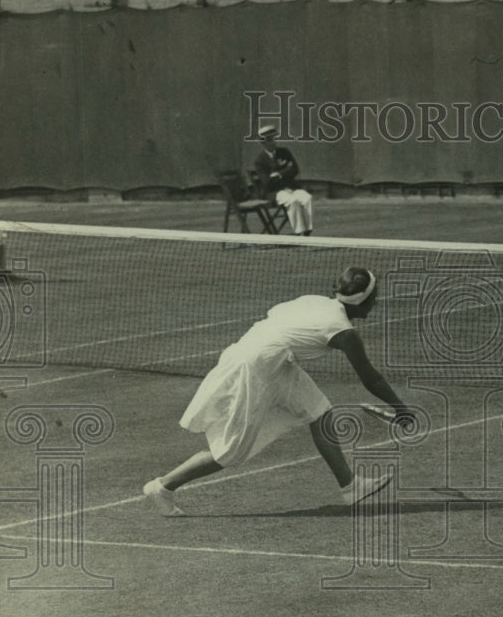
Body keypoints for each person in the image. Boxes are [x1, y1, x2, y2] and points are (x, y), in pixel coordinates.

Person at [143, 266, 411, 515]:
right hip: (256, 367)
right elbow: (371, 379)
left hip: (275, 360)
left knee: (320, 412)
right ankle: (163, 486)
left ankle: (351, 487)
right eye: (374, 297)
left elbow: (277, 317)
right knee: (231, 452)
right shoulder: (343, 331)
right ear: (363, 301)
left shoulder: (315, 301)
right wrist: (401, 409)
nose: (376, 302)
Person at [253, 124, 315, 236]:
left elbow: (295, 169)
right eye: (269, 140)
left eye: (273, 139)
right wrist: (286, 171)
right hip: (275, 193)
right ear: (263, 143)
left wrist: (279, 174)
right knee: (293, 201)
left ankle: (307, 232)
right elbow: (267, 183)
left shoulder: (284, 152)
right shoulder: (259, 161)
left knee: (307, 198)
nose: (273, 142)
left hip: (292, 187)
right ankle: (300, 233)